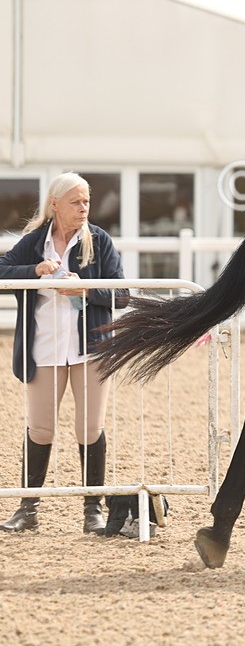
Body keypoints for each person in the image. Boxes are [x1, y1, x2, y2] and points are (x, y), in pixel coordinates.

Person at [0, 173, 128, 533]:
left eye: (86, 200)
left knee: (89, 428)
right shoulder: (33, 242)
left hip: (90, 352)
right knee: (40, 429)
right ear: (54, 204)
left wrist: (85, 291)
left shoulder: (99, 240)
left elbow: (123, 294)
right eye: (75, 201)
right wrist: (34, 271)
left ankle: (93, 510)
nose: (84, 207)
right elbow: (2, 270)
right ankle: (28, 509)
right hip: (43, 350)